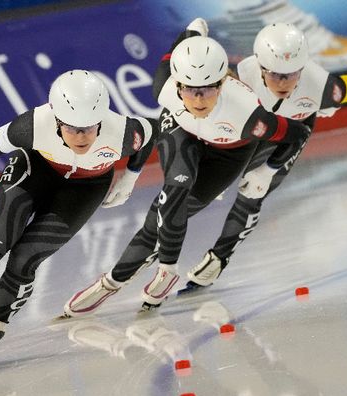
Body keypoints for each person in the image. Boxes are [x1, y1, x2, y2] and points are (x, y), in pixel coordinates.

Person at [60, 18, 313, 318]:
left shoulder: (249, 115)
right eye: (190, 89)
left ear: (222, 84)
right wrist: (194, 32)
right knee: (176, 188)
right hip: (184, 132)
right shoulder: (163, 87)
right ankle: (158, 272)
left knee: (159, 219)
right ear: (177, 84)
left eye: (207, 90)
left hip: (229, 153)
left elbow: (298, 134)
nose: (198, 99)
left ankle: (116, 279)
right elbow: (179, 44)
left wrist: (266, 170)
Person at [0, 70, 156, 366]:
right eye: (72, 128)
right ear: (56, 120)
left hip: (85, 189)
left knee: (26, 258)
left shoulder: (121, 132)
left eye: (89, 128)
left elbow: (151, 132)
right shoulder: (33, 124)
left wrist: (130, 177)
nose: (82, 137)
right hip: (34, 170)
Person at [180, 23, 347, 293]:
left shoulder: (323, 87)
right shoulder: (242, 75)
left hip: (289, 136)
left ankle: (219, 257)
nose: (283, 83)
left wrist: (268, 171)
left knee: (253, 192)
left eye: (291, 75)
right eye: (275, 74)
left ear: (303, 68)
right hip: (249, 131)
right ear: (259, 67)